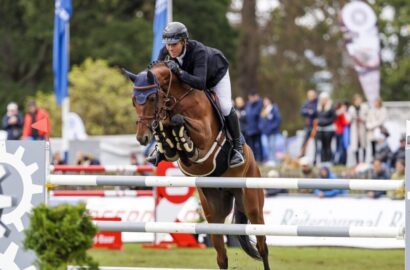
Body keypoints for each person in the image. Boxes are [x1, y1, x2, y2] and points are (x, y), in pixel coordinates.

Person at [148, 22, 244, 168]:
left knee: (224, 107)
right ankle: (161, 148)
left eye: (174, 44)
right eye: (168, 44)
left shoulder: (199, 51)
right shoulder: (165, 51)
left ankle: (238, 148)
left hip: (215, 76)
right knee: (167, 104)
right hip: (192, 78)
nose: (170, 48)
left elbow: (200, 83)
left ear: (184, 41)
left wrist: (179, 72)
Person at [258, 97, 281, 165]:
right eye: (264, 101)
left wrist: (271, 127)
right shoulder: (263, 110)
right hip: (265, 132)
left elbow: (278, 120)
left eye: (266, 101)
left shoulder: (274, 109)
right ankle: (270, 159)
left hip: (272, 132)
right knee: (267, 146)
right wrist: (261, 127)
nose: (265, 103)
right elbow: (261, 120)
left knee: (272, 146)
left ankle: (273, 160)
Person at [347, 94, 368, 164]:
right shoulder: (351, 108)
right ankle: (357, 162)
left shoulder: (364, 107)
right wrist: (354, 116)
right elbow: (348, 119)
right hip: (354, 128)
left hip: (362, 128)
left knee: (363, 145)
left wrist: (361, 118)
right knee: (355, 146)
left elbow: (367, 117)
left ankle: (364, 161)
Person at [316, 92, 336, 164]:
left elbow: (333, 117)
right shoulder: (318, 107)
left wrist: (324, 122)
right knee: (322, 146)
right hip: (320, 129)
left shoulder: (331, 107)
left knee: (328, 145)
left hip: (329, 129)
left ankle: (329, 160)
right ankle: (322, 160)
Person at [245, 93, 263, 161]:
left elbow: (259, 116)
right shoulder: (248, 105)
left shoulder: (260, 104)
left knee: (259, 145)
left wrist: (260, 127)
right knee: (251, 146)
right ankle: (254, 158)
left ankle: (260, 158)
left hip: (257, 129)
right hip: (250, 129)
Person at [300, 89, 318, 157]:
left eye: (312, 95)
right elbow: (302, 111)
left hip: (315, 126)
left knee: (315, 143)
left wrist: (310, 112)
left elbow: (316, 111)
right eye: (309, 96)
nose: (311, 97)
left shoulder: (317, 102)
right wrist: (309, 112)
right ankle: (302, 157)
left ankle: (315, 159)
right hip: (307, 126)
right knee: (304, 142)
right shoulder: (306, 102)